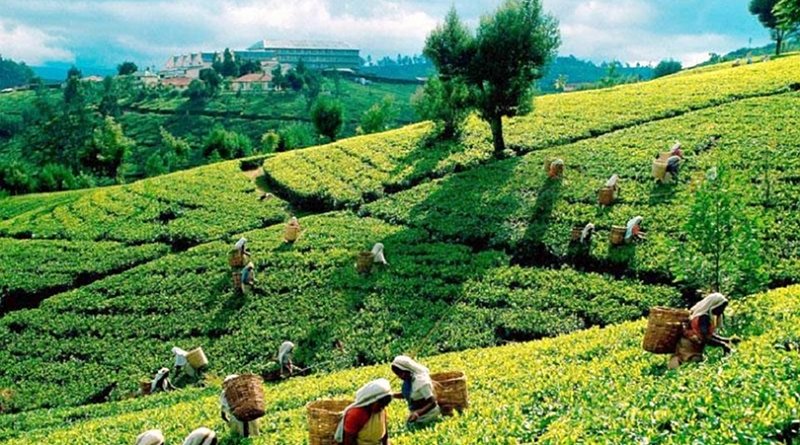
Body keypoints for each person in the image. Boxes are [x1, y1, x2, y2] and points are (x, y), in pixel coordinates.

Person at [669, 292, 736, 369]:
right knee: (692, 367)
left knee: (684, 366)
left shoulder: (700, 315)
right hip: (690, 347)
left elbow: (707, 334)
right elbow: (704, 338)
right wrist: (723, 345)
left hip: (684, 345)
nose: (722, 311)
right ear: (715, 305)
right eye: (721, 307)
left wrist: (727, 340)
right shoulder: (704, 317)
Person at [335, 378, 393, 445]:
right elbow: (349, 441)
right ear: (371, 401)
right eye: (381, 405)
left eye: (385, 405)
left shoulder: (380, 410)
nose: (383, 408)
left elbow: (385, 434)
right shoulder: (356, 414)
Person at [391, 355, 440, 426]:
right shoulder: (408, 380)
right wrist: (392, 395)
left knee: (412, 426)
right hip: (416, 413)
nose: (399, 377)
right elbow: (408, 394)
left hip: (428, 413)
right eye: (397, 375)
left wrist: (418, 413)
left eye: (401, 373)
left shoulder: (421, 382)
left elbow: (432, 403)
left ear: (406, 369)